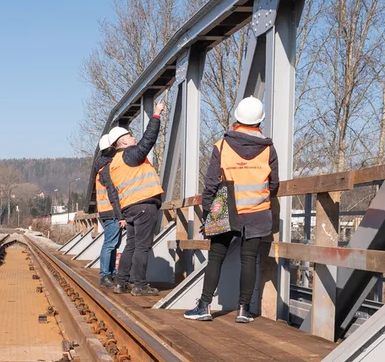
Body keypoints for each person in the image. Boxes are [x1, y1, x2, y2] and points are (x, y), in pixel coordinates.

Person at [184, 96, 279, 323]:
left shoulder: (223, 146)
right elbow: (274, 184)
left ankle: (205, 306)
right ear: (259, 121)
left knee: (216, 257)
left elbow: (211, 184)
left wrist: (209, 213)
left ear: (237, 118)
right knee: (249, 258)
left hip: (226, 210)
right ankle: (244, 310)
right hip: (257, 211)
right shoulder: (268, 149)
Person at [108, 97, 166, 296]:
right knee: (142, 246)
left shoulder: (114, 164)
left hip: (130, 208)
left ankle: (121, 282)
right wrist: (157, 114)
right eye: (131, 137)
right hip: (144, 205)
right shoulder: (129, 154)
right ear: (123, 141)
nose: (134, 139)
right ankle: (140, 285)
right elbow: (147, 141)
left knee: (131, 245)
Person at [92, 130, 125, 288]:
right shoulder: (107, 168)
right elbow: (113, 193)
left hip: (106, 211)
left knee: (113, 243)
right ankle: (105, 275)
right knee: (110, 244)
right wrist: (120, 215)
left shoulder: (101, 166)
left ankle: (110, 273)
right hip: (110, 211)